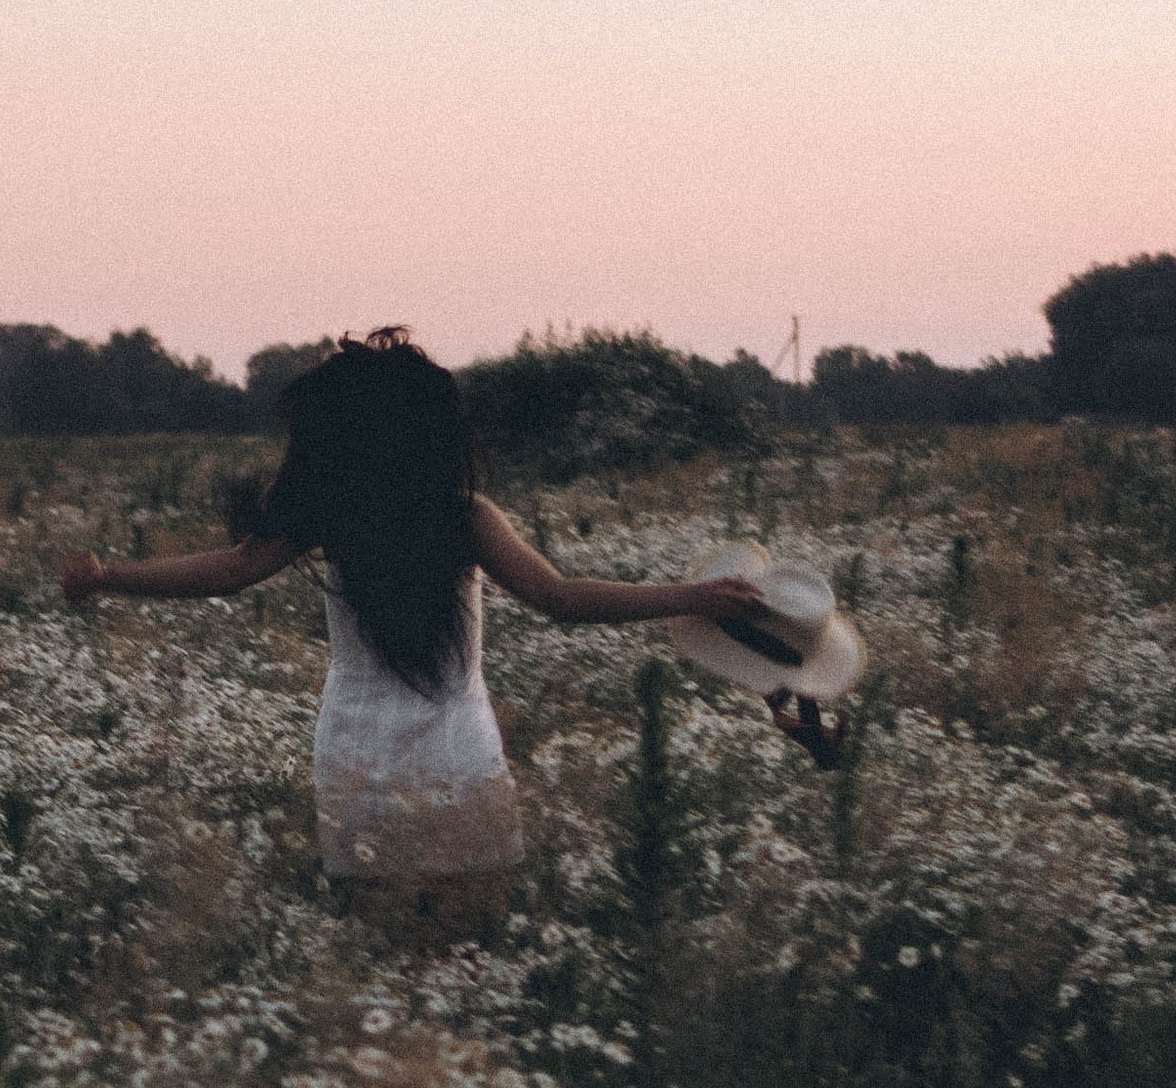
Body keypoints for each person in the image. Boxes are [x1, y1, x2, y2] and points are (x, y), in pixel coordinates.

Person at [58, 327, 793, 885]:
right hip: (456, 754)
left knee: (374, 944)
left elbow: (228, 572)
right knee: (466, 947)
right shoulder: (464, 515)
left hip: (354, 750)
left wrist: (111, 575)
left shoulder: (332, 516)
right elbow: (559, 598)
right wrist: (689, 596)